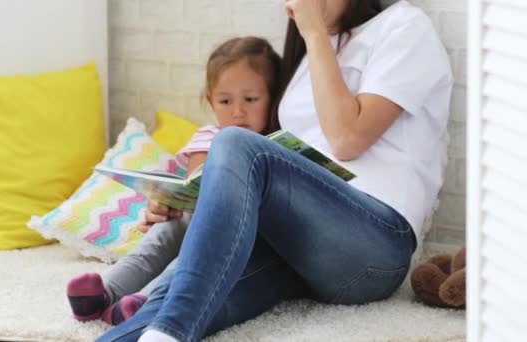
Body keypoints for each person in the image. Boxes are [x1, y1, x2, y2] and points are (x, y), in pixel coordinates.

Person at [98, 0, 453, 341]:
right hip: (302, 248)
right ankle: (164, 330)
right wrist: (187, 203)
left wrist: (312, 32)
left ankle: (172, 331)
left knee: (234, 143)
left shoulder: (404, 26)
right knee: (177, 295)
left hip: (374, 243)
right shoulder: (308, 60)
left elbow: (347, 138)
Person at [66, 36, 282, 326]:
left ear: (273, 96)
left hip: (234, 237)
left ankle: (145, 302)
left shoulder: (276, 146)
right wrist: (167, 201)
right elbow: (198, 184)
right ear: (210, 100)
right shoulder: (208, 138)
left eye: (251, 99)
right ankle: (104, 293)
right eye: (225, 100)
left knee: (192, 260)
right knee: (161, 237)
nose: (238, 111)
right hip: (193, 220)